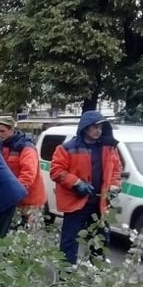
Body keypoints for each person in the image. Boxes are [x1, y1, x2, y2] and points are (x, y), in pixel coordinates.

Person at [50, 110, 122, 264]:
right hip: (77, 203)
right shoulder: (66, 148)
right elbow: (56, 171)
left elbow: (116, 170)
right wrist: (76, 183)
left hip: (99, 204)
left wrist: (114, 187)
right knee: (70, 241)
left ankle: (96, 271)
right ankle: (65, 275)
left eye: (101, 127)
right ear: (85, 128)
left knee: (100, 240)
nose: (98, 131)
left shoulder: (108, 149)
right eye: (95, 127)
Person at [0, 116, 46, 228]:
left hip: (29, 201)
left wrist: (13, 193)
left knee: (27, 236)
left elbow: (28, 175)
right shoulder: (2, 146)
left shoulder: (26, 148)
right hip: (14, 199)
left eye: (2, 131)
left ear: (12, 130)